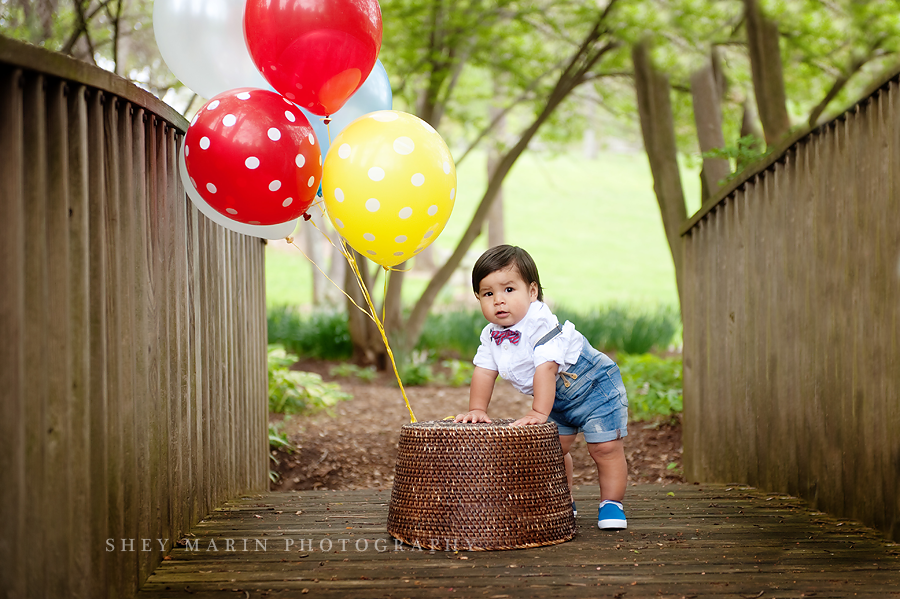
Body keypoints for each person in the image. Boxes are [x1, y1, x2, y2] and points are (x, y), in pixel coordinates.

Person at [455, 245, 629, 530]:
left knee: (605, 447)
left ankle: (611, 503)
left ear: (532, 292)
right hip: (555, 398)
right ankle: (564, 499)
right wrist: (477, 409)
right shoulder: (491, 335)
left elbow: (546, 369)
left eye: (509, 290)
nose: (499, 300)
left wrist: (538, 412)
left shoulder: (541, 323)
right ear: (478, 298)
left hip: (595, 387)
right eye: (488, 294)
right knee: (549, 449)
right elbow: (485, 372)